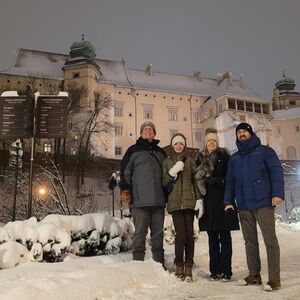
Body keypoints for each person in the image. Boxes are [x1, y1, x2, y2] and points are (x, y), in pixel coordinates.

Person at [224, 122, 284, 291]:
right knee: (249, 241)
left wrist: (277, 194)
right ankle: (254, 274)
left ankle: (274, 279)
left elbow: (276, 171)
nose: (241, 134)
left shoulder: (265, 151)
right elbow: (230, 181)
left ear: (251, 133)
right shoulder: (234, 158)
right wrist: (228, 201)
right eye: (239, 132)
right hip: (243, 204)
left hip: (263, 201)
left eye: (244, 131)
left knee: (270, 240)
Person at [119, 121, 166, 266]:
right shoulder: (133, 150)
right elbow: (125, 171)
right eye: (145, 129)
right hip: (139, 200)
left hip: (158, 201)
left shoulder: (161, 152)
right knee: (140, 233)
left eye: (151, 129)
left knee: (158, 234)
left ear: (154, 133)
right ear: (141, 133)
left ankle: (159, 264)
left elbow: (167, 175)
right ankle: (138, 264)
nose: (148, 131)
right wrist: (126, 189)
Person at [195, 128, 239, 282]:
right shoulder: (200, 160)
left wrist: (215, 181)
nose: (211, 143)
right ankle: (215, 271)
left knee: (225, 239)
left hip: (223, 203)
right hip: (208, 206)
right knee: (212, 240)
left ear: (217, 143)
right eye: (209, 142)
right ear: (206, 144)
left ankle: (226, 271)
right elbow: (196, 181)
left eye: (214, 141)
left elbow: (230, 179)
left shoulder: (225, 158)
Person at [162, 133, 200, 282]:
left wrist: (199, 199)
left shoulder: (190, 161)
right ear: (172, 145)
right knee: (181, 235)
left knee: (189, 235)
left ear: (184, 145)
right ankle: (179, 265)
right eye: (176, 144)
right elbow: (164, 182)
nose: (179, 146)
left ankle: (188, 267)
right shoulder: (167, 162)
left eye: (181, 144)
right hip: (175, 203)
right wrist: (172, 172)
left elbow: (195, 181)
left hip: (189, 203)